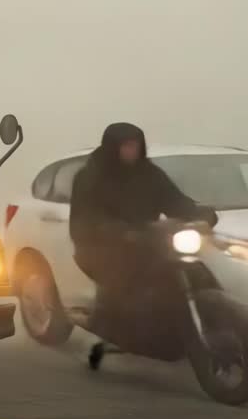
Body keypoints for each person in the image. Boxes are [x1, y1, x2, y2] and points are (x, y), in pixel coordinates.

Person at [68, 122, 214, 366]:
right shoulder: (89, 177)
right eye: (126, 146)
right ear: (113, 147)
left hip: (146, 242)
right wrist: (121, 232)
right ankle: (110, 326)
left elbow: (174, 200)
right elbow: (85, 220)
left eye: (135, 146)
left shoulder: (150, 174)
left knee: (192, 270)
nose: (131, 151)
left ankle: (196, 326)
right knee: (125, 278)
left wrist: (200, 214)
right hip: (99, 247)